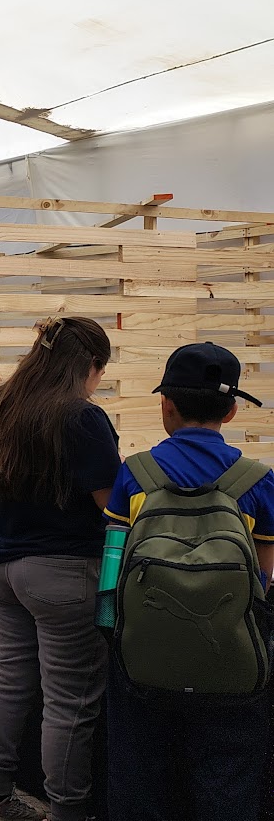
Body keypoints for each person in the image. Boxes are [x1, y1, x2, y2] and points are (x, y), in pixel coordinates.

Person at [101, 342, 274, 821]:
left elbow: (112, 565)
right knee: (229, 770)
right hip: (232, 656)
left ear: (166, 406)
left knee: (142, 770)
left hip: (144, 655)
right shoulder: (257, 478)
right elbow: (263, 574)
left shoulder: (135, 473)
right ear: (234, 409)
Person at [0, 317, 117, 821]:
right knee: (69, 700)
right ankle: (67, 812)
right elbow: (108, 505)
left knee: (9, 679)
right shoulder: (82, 417)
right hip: (63, 572)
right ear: (90, 365)